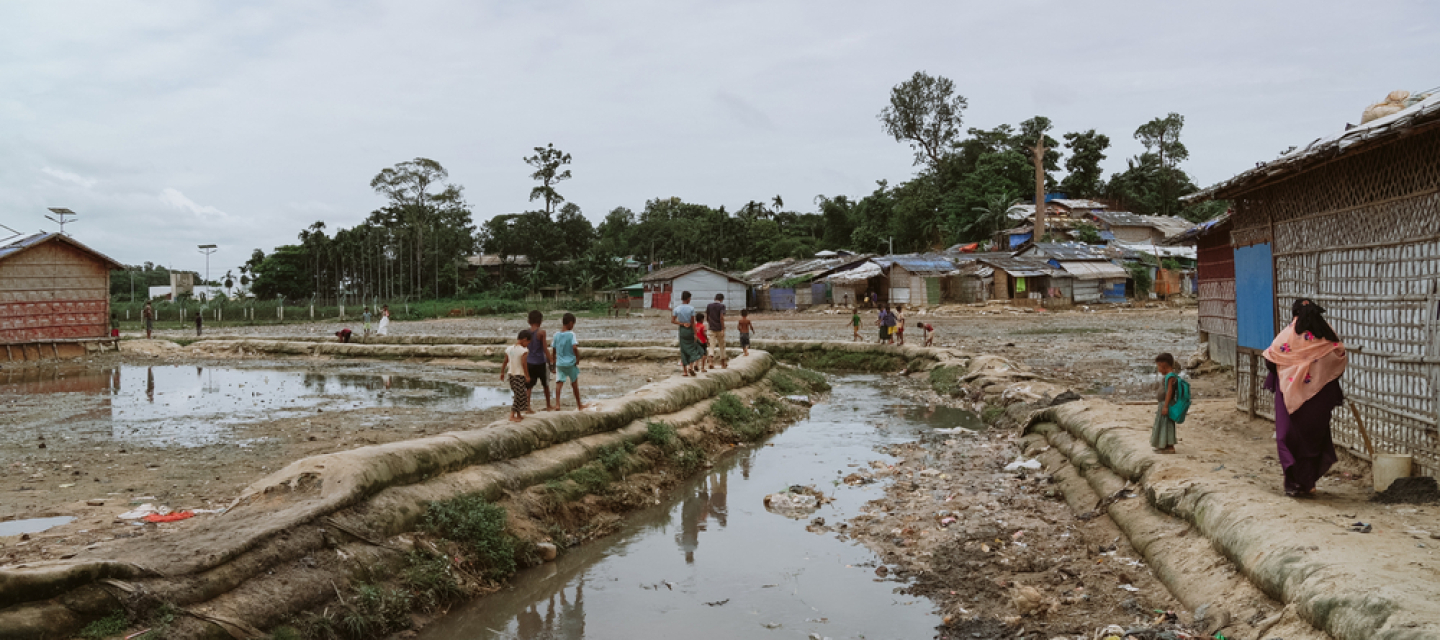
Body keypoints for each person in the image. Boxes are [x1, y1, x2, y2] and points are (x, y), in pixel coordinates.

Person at [1263, 298, 1347, 498]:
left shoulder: (1287, 336)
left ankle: (1293, 483)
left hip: (1289, 395)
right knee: (1313, 439)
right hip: (1320, 397)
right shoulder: (1329, 336)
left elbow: (1270, 360)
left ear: (1295, 315)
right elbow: (1340, 360)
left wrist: (1292, 372)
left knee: (1288, 437)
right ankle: (1308, 483)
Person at [551, 313, 586, 411]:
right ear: (570, 323)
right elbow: (574, 347)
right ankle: (579, 405)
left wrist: (553, 362)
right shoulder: (571, 334)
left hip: (560, 363)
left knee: (559, 382)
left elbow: (553, 350)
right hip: (570, 363)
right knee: (574, 383)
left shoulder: (556, 335)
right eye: (573, 324)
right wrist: (577, 357)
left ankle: (557, 404)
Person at [501, 330, 533, 422]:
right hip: (519, 375)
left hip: (511, 374)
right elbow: (524, 364)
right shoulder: (524, 351)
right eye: (528, 342)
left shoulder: (509, 349)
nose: (527, 344)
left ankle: (518, 414)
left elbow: (505, 361)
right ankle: (512, 415)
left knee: (518, 393)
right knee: (519, 395)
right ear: (524, 339)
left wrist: (502, 372)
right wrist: (527, 376)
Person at [525, 310, 555, 411]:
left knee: (529, 386)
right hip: (540, 362)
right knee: (545, 385)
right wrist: (551, 360)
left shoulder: (527, 333)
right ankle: (548, 405)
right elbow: (545, 348)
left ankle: (528, 406)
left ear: (529, 321)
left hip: (529, 362)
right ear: (541, 321)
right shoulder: (541, 332)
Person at [1152, 353, 1180, 454]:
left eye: (1158, 366)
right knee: (1163, 423)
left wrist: (1166, 406)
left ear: (1163, 365)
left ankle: (1169, 447)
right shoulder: (1169, 376)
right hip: (1164, 404)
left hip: (1166, 404)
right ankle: (1163, 445)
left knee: (1166, 425)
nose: (1158, 369)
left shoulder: (1170, 376)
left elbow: (1169, 392)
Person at [672, 291, 704, 376]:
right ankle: (691, 366)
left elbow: (673, 321)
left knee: (683, 349)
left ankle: (685, 371)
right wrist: (695, 334)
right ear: (688, 298)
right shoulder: (691, 309)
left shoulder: (677, 309)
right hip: (689, 330)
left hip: (682, 331)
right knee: (693, 348)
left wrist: (682, 324)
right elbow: (693, 322)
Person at [706, 294, 728, 369]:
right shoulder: (722, 306)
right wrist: (722, 328)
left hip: (711, 328)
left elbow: (707, 317)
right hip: (719, 328)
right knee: (722, 345)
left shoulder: (709, 306)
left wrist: (710, 324)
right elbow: (721, 318)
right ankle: (723, 363)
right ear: (721, 299)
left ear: (715, 298)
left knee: (711, 346)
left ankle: (711, 362)